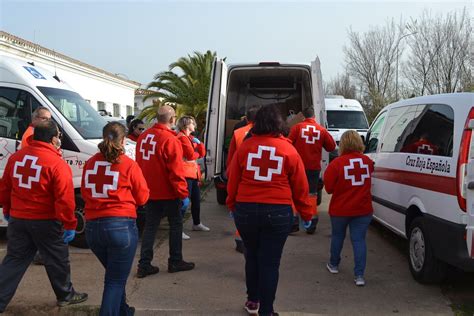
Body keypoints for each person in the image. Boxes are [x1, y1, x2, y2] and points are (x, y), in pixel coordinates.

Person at [226, 105, 313, 316]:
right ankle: (267, 310)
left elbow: (233, 181)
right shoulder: (289, 150)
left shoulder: (245, 148)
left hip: (245, 211)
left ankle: (253, 301)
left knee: (252, 257)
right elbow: (301, 187)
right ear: (279, 124)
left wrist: (232, 204)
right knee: (270, 263)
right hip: (278, 212)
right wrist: (306, 213)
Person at [0, 120, 88, 312]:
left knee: (14, 259)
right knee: (57, 259)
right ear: (53, 138)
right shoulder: (56, 164)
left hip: (18, 219)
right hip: (45, 221)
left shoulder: (16, 158)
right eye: (58, 136)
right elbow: (64, 200)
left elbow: (5, 187)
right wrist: (70, 224)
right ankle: (66, 295)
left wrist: (7, 209)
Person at [81, 122, 149, 315]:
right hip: (121, 228)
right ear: (124, 140)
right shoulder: (128, 164)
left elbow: (86, 193)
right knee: (115, 280)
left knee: (114, 276)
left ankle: (123, 310)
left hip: (93, 229)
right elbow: (143, 197)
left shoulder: (90, 163)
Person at [135, 105, 194, 278]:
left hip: (149, 191)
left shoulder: (144, 136)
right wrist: (183, 193)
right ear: (172, 119)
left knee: (150, 227)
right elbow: (175, 172)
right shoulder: (170, 140)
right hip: (168, 192)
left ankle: (144, 264)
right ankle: (175, 260)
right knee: (175, 224)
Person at [324, 130, 374, 287]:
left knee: (338, 236)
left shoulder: (336, 164)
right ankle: (359, 275)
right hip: (363, 209)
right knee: (359, 240)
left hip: (340, 209)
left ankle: (334, 265)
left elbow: (329, 189)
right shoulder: (367, 162)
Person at [288, 106, 336, 233]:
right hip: (313, 168)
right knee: (311, 195)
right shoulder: (321, 130)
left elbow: (287, 144)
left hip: (297, 167)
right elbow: (331, 147)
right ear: (314, 117)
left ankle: (293, 223)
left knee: (294, 193)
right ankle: (311, 223)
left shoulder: (297, 128)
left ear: (303, 116)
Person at [226, 104, 261, 253]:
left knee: (243, 210)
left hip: (242, 176)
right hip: (260, 176)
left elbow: (231, 158)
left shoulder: (238, 133)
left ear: (246, 118)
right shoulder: (267, 133)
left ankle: (241, 240)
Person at [176, 116, 209, 240]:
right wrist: (197, 151)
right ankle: (178, 229)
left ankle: (197, 223)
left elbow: (202, 153)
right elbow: (191, 155)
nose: (194, 125)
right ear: (185, 125)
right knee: (185, 202)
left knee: (196, 199)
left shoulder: (189, 138)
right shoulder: (182, 138)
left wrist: (199, 145)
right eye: (192, 123)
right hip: (186, 173)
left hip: (193, 173)